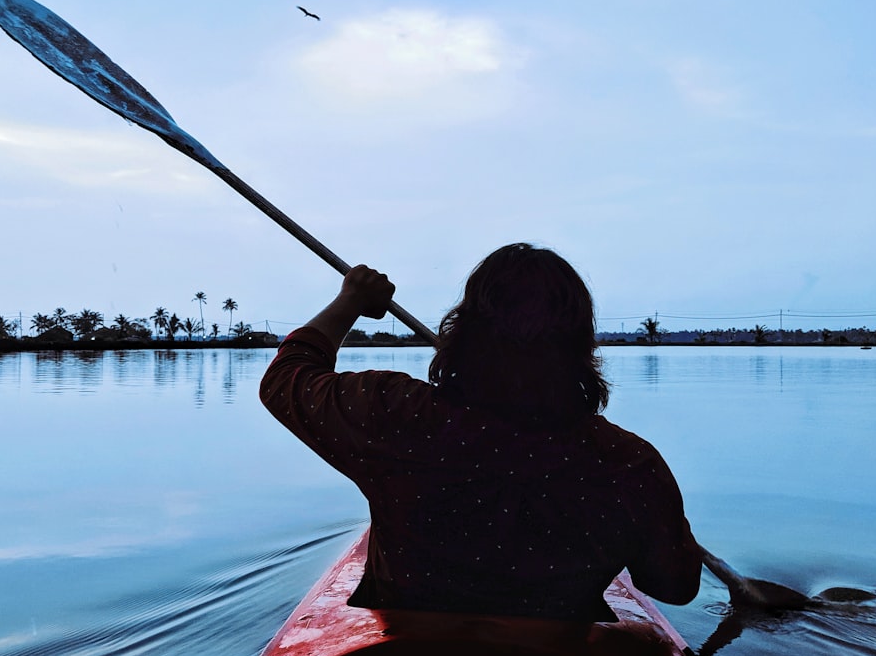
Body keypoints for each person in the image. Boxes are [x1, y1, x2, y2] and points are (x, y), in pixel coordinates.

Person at [260, 242, 701, 622]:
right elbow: (674, 587)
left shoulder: (397, 415)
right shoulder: (629, 464)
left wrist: (351, 301)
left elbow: (286, 378)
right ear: (582, 347)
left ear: (462, 331)